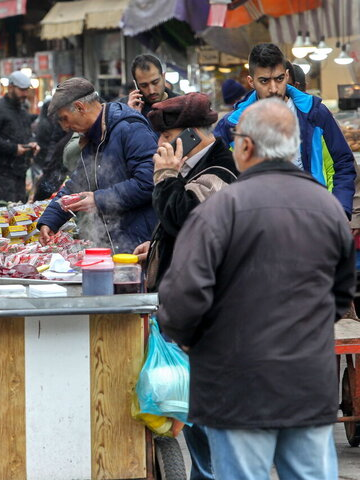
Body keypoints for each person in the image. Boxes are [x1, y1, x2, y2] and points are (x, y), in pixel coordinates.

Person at [158, 98, 355, 480]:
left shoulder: (219, 210)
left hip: (237, 387)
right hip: (307, 385)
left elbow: (183, 299)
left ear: (246, 147)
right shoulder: (329, 209)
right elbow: (340, 295)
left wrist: (191, 341)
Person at [133, 93, 238, 480]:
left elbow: (186, 220)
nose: (160, 145)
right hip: (190, 308)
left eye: (168, 135)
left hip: (210, 312)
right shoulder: (192, 167)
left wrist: (164, 176)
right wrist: (157, 246)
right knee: (194, 414)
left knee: (208, 415)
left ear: (193, 135)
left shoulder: (220, 171)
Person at [215, 43, 355, 217]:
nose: (273, 88)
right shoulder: (232, 125)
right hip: (259, 222)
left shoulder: (314, 112)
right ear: (251, 81)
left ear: (287, 75)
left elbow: (343, 162)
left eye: (279, 79)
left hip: (315, 214)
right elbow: (217, 175)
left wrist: (340, 210)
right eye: (264, 81)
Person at [37, 77, 157, 253]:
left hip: (138, 243)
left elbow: (148, 182)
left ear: (80, 107)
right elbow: (77, 184)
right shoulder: (92, 137)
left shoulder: (130, 128)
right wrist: (50, 220)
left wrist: (98, 199)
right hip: (112, 241)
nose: (65, 127)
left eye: (64, 119)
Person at [0, 71, 39, 203]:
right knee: (2, 215)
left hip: (20, 174)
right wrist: (13, 148)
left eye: (26, 90)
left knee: (19, 216)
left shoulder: (22, 111)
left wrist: (32, 144)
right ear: (11, 87)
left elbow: (26, 135)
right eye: (21, 90)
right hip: (2, 175)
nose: (25, 94)